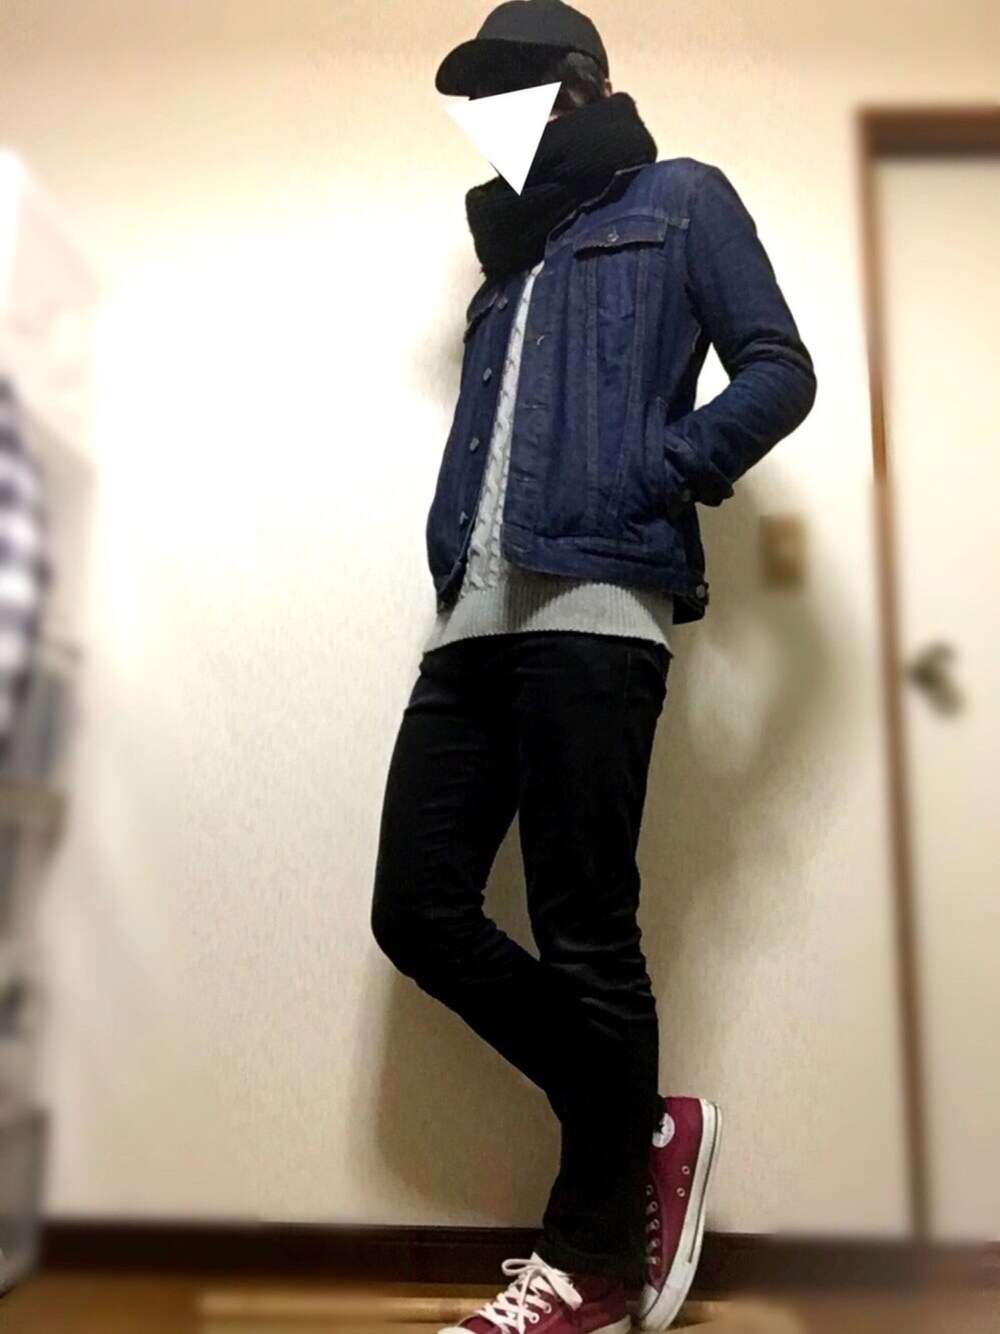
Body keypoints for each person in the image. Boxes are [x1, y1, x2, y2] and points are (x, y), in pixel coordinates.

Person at [370, 3, 817, 1331]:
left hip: (598, 607)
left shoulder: (680, 200)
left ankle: (594, 1267)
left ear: (574, 87)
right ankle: (639, 1127)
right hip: (470, 626)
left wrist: (660, 471)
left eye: (501, 93)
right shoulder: (505, 264)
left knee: (585, 930)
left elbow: (778, 369)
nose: (483, 125)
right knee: (417, 909)